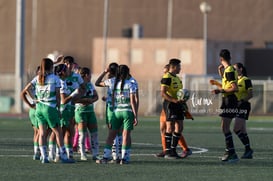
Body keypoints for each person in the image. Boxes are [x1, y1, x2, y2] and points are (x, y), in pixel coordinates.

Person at [24, 58, 73, 163]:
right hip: (49, 108)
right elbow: (58, 96)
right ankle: (64, 157)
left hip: (39, 108)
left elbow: (27, 89)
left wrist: (34, 99)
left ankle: (44, 157)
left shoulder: (38, 78)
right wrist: (59, 109)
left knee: (41, 133)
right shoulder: (55, 78)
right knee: (58, 132)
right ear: (51, 67)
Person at [96, 64, 138, 164]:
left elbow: (113, 99)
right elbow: (133, 101)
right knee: (125, 135)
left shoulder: (113, 82)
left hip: (116, 112)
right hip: (127, 112)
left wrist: (114, 109)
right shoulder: (130, 84)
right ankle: (123, 158)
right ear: (127, 73)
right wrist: (135, 115)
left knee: (111, 135)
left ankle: (106, 157)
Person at [156, 64, 192, 158]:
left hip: (172, 106)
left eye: (165, 72)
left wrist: (183, 105)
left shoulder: (174, 79)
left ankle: (184, 149)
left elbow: (177, 94)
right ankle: (166, 150)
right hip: (166, 108)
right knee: (163, 129)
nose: (164, 74)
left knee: (174, 128)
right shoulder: (166, 79)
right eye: (163, 72)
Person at [212, 49, 239, 163]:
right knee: (224, 127)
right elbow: (227, 81)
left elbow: (234, 88)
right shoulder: (228, 70)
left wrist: (220, 91)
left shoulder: (229, 70)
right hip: (227, 100)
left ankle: (231, 153)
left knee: (225, 127)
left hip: (230, 100)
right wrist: (221, 72)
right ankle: (230, 151)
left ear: (221, 59)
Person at [160, 58, 186, 159]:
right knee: (170, 127)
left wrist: (183, 101)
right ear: (174, 67)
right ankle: (167, 152)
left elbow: (179, 93)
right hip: (170, 104)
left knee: (179, 127)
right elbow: (163, 93)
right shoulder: (167, 77)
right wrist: (173, 100)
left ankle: (173, 150)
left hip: (178, 104)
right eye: (179, 66)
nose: (180, 68)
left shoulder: (178, 78)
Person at [95, 62, 121, 161]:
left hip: (111, 108)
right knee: (119, 131)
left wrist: (104, 72)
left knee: (112, 131)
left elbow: (97, 83)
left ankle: (113, 155)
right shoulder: (122, 81)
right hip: (120, 107)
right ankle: (119, 155)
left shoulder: (110, 81)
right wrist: (109, 97)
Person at [74, 67, 99, 161]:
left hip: (90, 111)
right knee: (82, 134)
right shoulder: (77, 85)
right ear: (85, 75)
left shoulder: (90, 85)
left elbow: (96, 96)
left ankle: (95, 154)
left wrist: (91, 100)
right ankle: (83, 154)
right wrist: (84, 100)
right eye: (89, 74)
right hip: (80, 112)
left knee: (94, 133)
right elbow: (73, 99)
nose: (91, 76)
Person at [233, 62, 254, 159]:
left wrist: (242, 101)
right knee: (243, 130)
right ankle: (248, 150)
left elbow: (250, 94)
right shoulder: (235, 81)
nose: (234, 70)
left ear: (240, 69)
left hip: (243, 106)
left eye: (235, 68)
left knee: (236, 129)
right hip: (236, 106)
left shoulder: (246, 80)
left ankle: (248, 150)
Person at [21, 66, 41, 160]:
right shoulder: (37, 82)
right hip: (36, 109)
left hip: (35, 109)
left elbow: (24, 92)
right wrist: (32, 102)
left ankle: (37, 151)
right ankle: (37, 152)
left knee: (37, 132)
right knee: (39, 131)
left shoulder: (38, 82)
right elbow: (23, 92)